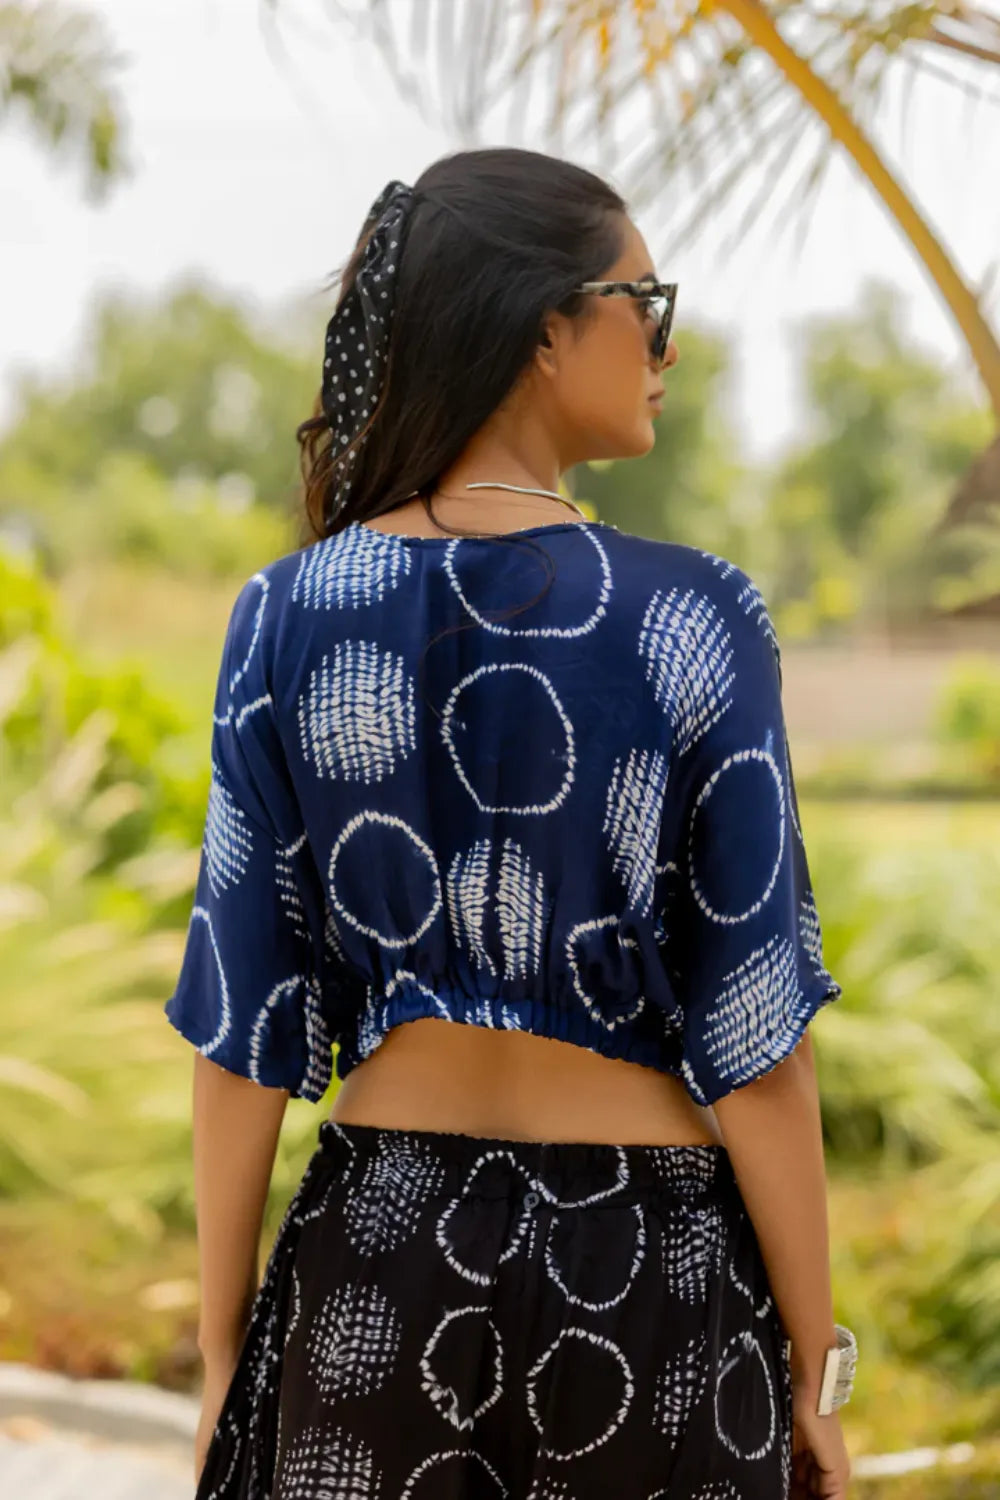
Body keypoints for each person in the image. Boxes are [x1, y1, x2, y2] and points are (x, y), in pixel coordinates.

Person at [165, 146, 855, 1499]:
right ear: (547, 326)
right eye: (645, 304)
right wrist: (818, 1361)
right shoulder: (695, 615)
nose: (666, 345)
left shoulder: (287, 614)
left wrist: (223, 1354)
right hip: (651, 1267)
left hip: (377, 1251)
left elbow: (245, 1022)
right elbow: (757, 1032)